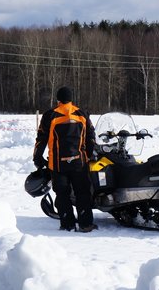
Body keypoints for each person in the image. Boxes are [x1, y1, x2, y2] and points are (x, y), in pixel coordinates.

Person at [33, 86, 97, 232]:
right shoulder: (82, 114)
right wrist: (87, 155)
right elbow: (91, 138)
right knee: (83, 193)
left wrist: (37, 158)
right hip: (79, 162)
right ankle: (85, 224)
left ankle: (67, 224)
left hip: (57, 164)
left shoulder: (50, 115)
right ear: (71, 98)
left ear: (58, 99)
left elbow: (41, 139)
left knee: (62, 194)